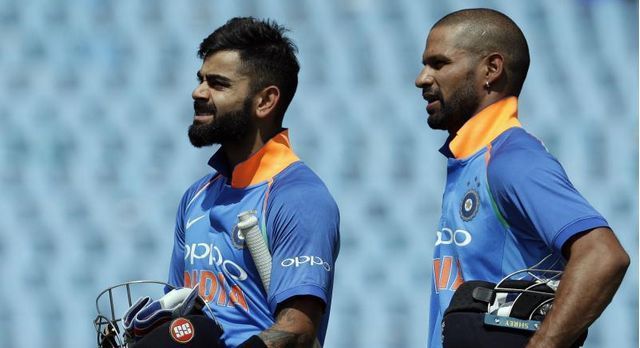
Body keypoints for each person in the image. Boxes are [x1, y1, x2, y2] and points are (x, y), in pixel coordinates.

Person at [414, 8, 629, 348]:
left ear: (492, 70)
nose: (422, 78)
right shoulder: (472, 159)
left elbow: (603, 256)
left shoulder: (511, 159)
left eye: (439, 64)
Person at [166, 17, 340, 348]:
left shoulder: (299, 198)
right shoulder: (195, 197)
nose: (198, 92)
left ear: (265, 101)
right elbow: (177, 315)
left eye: (217, 83)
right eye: (200, 79)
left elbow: (297, 331)